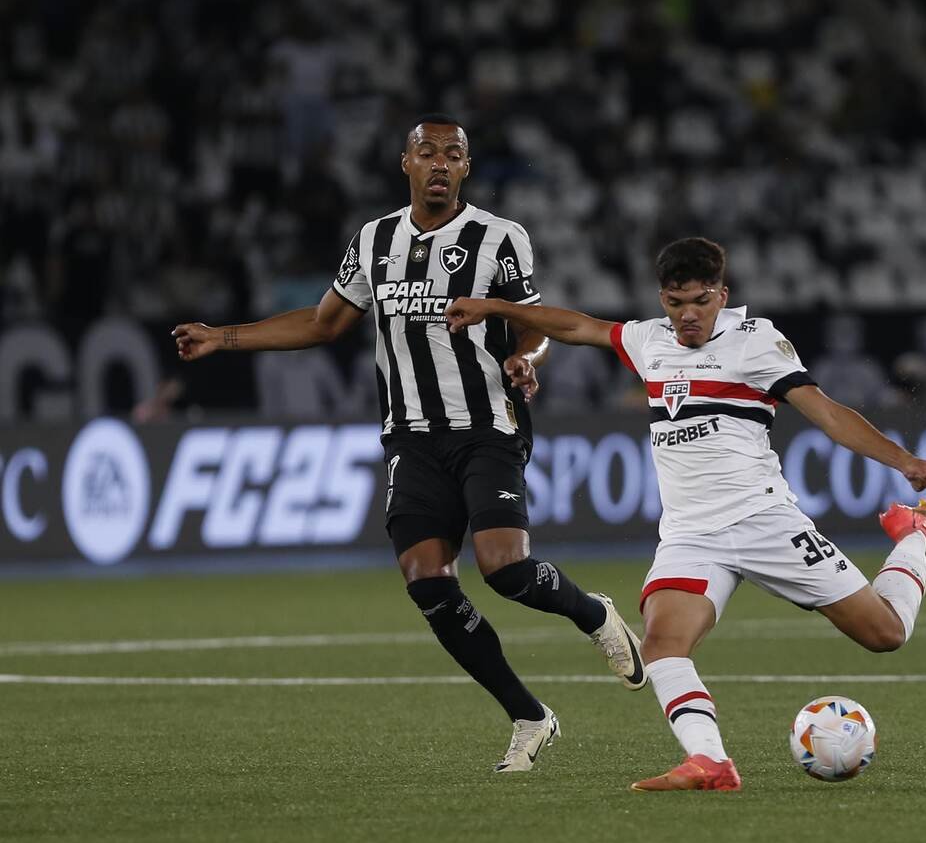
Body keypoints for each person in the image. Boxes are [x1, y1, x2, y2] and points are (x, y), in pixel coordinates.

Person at [171, 114, 646, 773]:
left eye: (454, 154)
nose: (442, 164)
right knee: (428, 582)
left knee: (505, 568)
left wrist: (527, 358)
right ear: (407, 164)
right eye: (429, 153)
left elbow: (532, 323)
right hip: (410, 439)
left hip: (487, 427)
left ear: (467, 169)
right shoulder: (373, 241)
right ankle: (529, 716)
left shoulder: (498, 239)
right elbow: (321, 322)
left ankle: (594, 613)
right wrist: (223, 338)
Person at [445, 236, 926, 792]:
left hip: (764, 520)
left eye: (701, 302)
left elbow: (825, 413)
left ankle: (914, 532)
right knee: (661, 645)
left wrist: (902, 460)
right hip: (690, 534)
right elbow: (576, 326)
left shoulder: (757, 342)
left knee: (886, 633)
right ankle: (711, 763)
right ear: (662, 300)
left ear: (722, 295)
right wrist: (495, 308)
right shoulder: (648, 340)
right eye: (676, 303)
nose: (688, 316)